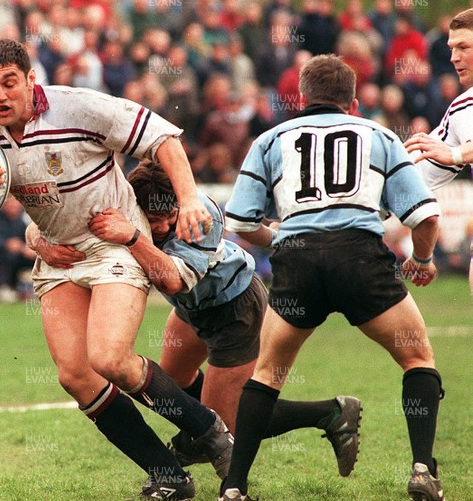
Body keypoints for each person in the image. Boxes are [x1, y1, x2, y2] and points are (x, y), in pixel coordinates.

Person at [0, 38, 229, 501]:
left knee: (109, 358)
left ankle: (208, 429)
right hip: (59, 256)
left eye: (9, 83)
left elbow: (162, 135)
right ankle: (167, 473)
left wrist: (188, 198)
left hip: (115, 244)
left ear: (31, 80)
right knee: (77, 375)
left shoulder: (77, 106)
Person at [219, 54, 445, 501]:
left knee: (267, 374)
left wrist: (280, 237)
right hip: (359, 258)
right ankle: (423, 469)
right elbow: (426, 216)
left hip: (298, 263)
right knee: (417, 359)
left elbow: (240, 222)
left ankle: (232, 488)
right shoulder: (379, 135)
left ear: (301, 97)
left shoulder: (270, 139)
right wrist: (422, 259)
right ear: (354, 102)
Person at [87, 159, 362, 476]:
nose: (161, 227)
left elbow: (171, 280)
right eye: (152, 220)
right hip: (193, 309)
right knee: (171, 389)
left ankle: (331, 413)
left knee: (224, 423)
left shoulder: (200, 216)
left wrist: (134, 236)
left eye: (168, 217)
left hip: (235, 308)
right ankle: (196, 435)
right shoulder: (131, 205)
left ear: (180, 200)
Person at [404, 8, 473, 293]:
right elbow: (413, 179)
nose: (453, 57)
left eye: (464, 47)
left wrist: (457, 155)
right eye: (451, 48)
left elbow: (455, 154)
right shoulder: (461, 110)